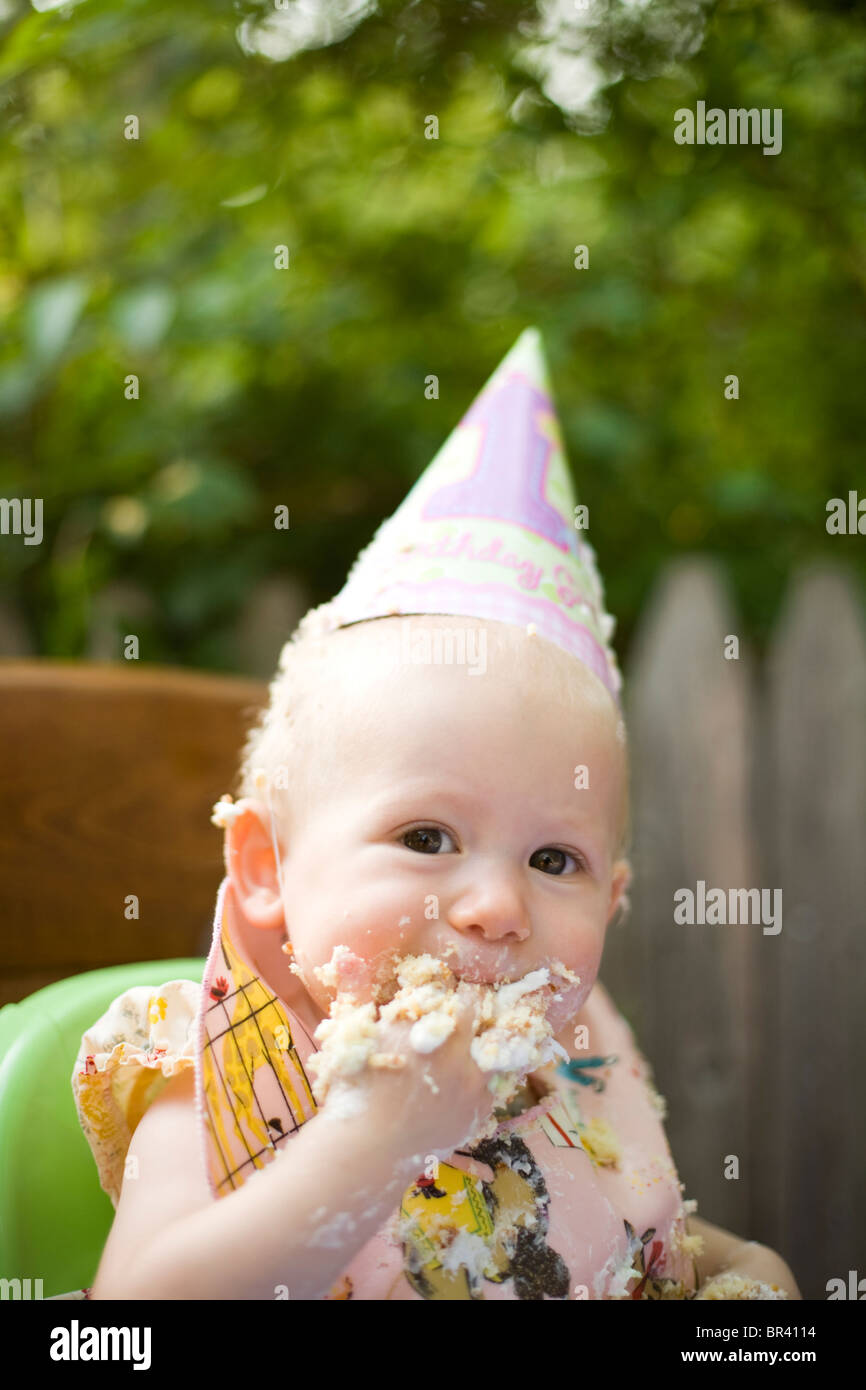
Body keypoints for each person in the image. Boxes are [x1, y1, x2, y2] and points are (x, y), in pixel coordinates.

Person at [69, 330, 800, 1301]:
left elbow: (609, 1220)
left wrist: (738, 1265)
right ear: (264, 865)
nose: (496, 905)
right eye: (425, 838)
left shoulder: (571, 1060)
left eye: (553, 858)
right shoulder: (212, 1066)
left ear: (613, 898)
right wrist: (373, 1141)